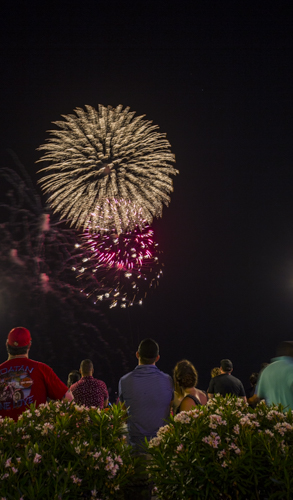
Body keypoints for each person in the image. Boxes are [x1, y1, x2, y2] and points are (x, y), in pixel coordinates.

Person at [0, 327, 72, 421]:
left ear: (7, 345)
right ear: (29, 345)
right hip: (35, 434)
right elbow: (69, 399)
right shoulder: (41, 369)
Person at [118, 338, 174, 449]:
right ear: (157, 357)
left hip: (135, 446)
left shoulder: (124, 381)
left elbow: (123, 415)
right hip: (161, 447)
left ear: (137, 354)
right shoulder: (168, 380)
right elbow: (169, 408)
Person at [256, 341, 293, 410]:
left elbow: (260, 397)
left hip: (274, 418)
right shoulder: (291, 368)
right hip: (290, 418)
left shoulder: (266, 370)